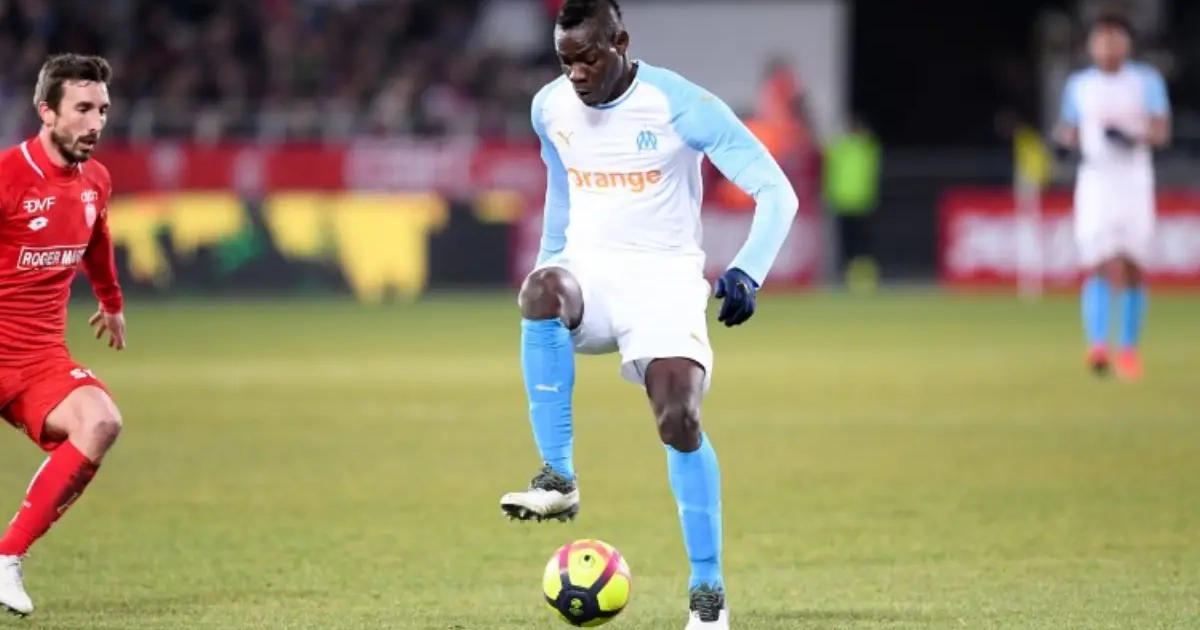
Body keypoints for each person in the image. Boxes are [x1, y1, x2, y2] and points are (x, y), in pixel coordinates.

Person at [498, 1, 798, 628]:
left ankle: (707, 591)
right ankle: (558, 478)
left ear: (621, 42)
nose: (576, 74)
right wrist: (548, 267)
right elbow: (560, 193)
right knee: (539, 291)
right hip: (591, 275)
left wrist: (748, 270)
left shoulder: (679, 104)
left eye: (587, 58)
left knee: (679, 418)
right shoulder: (549, 108)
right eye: (565, 61)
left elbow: (777, 191)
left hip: (664, 282)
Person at [0, 53, 127, 616]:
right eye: (82, 109)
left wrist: (111, 301)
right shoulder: (7, 177)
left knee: (100, 421)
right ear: (46, 111)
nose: (95, 123)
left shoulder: (96, 181)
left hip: (38, 358)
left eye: (102, 109)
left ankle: (6, 556)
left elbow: (97, 239)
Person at [1056, 12, 1170, 380]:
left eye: (1114, 38)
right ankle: (1098, 346)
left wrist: (1133, 137)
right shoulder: (1079, 85)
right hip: (1096, 179)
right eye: (1101, 39)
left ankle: (1129, 349)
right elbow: (1069, 129)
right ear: (1091, 45)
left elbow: (1161, 131)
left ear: (1127, 44)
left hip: (1134, 178)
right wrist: (1062, 144)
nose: (1108, 46)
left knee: (1133, 262)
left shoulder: (1145, 81)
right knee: (1098, 259)